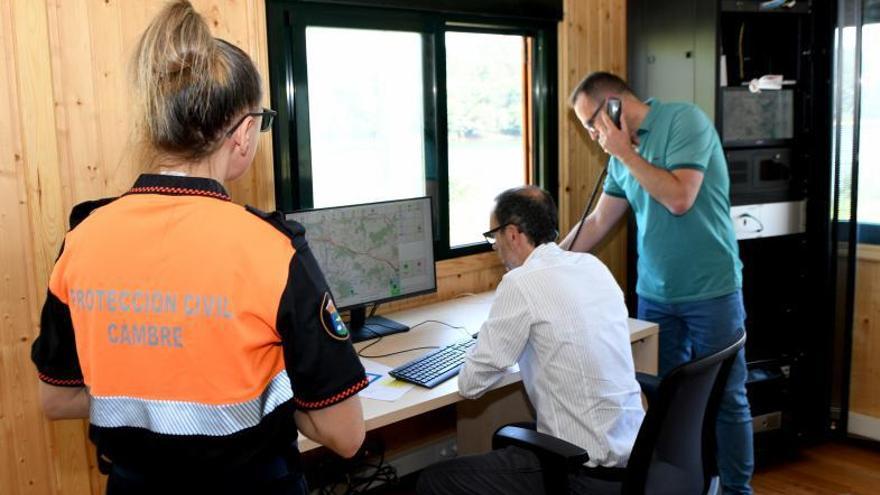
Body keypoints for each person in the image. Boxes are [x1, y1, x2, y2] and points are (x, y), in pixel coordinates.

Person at [30, 2, 367, 493]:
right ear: (245, 132)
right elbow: (346, 435)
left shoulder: (83, 239)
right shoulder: (273, 251)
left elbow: (55, 399)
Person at [561, 71, 752, 494]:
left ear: (613, 105)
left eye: (593, 123)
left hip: (711, 289)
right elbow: (596, 222)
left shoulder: (685, 121)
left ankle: (738, 490)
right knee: (668, 404)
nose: (594, 135)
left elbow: (680, 198)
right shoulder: (620, 158)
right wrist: (547, 263)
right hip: (656, 295)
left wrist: (624, 153)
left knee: (727, 398)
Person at [417, 186, 644, 495]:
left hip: (582, 470)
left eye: (493, 236)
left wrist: (480, 343)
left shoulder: (521, 282)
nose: (494, 246)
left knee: (434, 480)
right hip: (635, 457)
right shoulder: (592, 266)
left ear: (512, 234)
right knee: (506, 433)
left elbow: (471, 384)